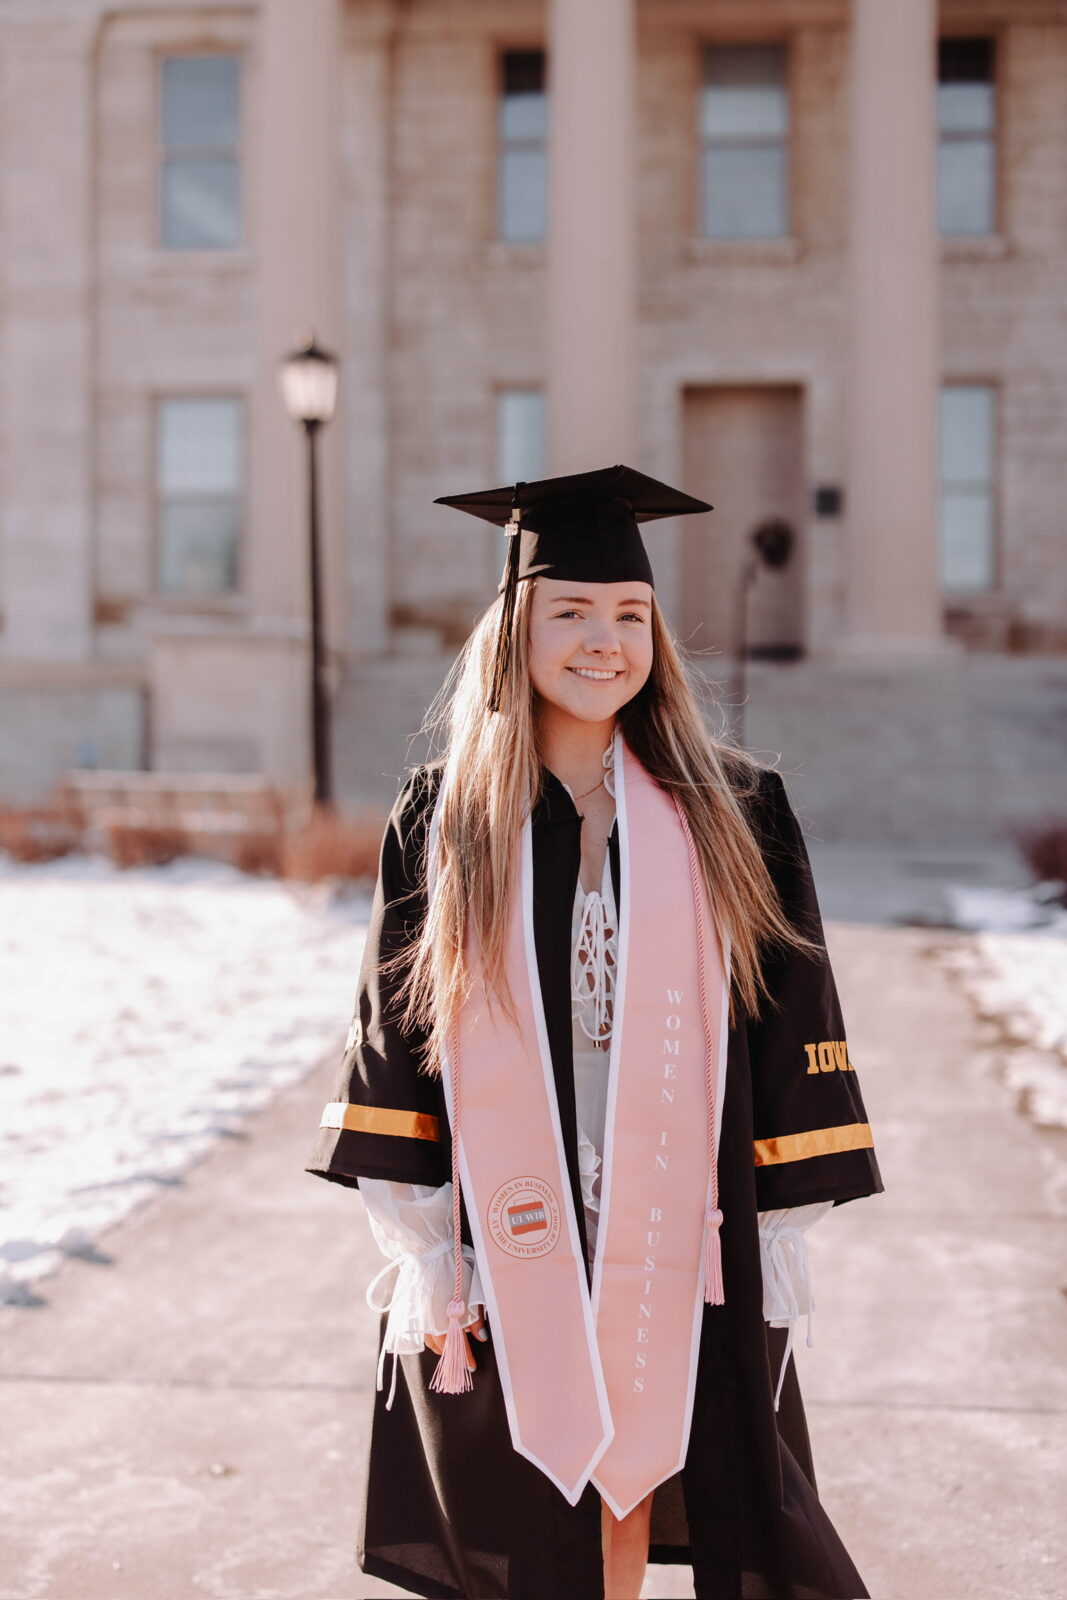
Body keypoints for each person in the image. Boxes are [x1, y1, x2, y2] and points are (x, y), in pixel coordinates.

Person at [305, 463, 883, 1600]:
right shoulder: (447, 816)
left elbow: (791, 1013)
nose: (603, 641)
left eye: (628, 614)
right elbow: (396, 1026)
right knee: (525, 1490)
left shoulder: (730, 810)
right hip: (511, 1209)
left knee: (632, 1468)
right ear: (514, 631)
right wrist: (423, 1240)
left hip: (677, 1207)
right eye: (569, 611)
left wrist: (775, 1222)